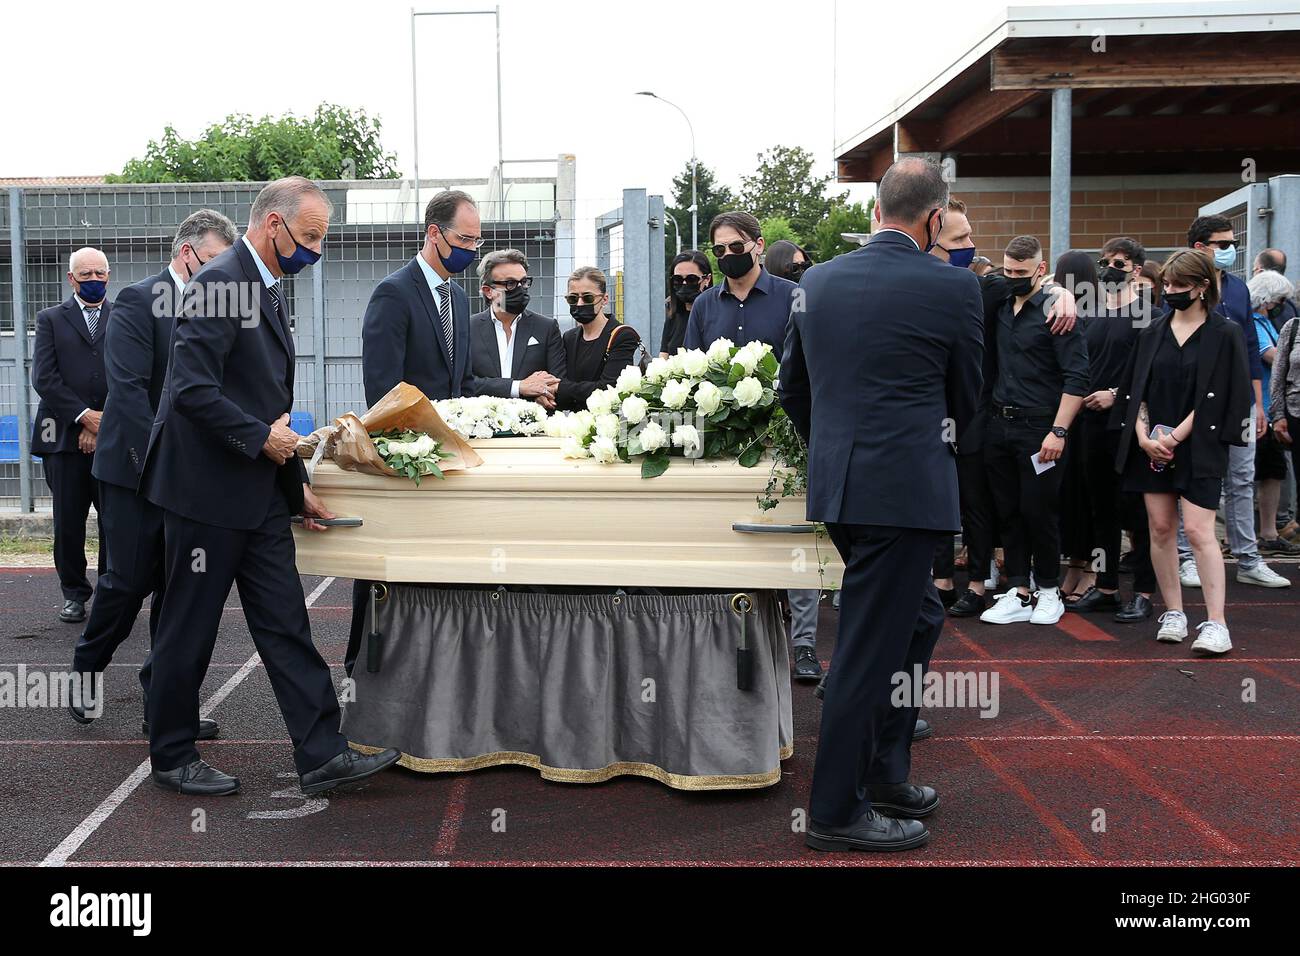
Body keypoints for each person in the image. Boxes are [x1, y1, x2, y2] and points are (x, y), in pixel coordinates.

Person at [141, 176, 399, 795]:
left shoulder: (265, 285)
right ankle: (172, 755)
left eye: (323, 238)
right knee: (189, 627)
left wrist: (294, 482)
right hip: (204, 494)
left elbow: (264, 402)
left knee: (286, 623)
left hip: (256, 491)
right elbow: (191, 392)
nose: (317, 250)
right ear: (274, 225)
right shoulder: (220, 283)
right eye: (310, 237)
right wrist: (264, 440)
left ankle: (321, 753)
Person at [780, 157, 983, 853]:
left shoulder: (818, 280)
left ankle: (887, 773)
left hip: (842, 489)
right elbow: (969, 401)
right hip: (904, 492)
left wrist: (836, 449)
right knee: (869, 651)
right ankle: (837, 809)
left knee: (918, 617)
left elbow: (791, 389)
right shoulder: (954, 289)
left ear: (876, 212)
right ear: (935, 220)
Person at [69, 210, 236, 730]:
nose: (220, 274)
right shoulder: (139, 302)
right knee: (126, 583)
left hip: (190, 477)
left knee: (179, 590)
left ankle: (161, 706)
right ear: (188, 254)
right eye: (213, 261)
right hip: (134, 471)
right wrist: (164, 468)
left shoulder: (222, 305)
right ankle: (86, 666)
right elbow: (130, 394)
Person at [349, 190, 484, 675]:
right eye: (464, 238)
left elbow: (461, 383)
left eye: (477, 239)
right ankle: (362, 662)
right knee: (387, 570)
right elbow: (383, 391)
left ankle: (431, 663)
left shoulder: (457, 296)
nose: (472, 248)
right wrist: (412, 447)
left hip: (445, 456)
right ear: (434, 233)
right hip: (405, 457)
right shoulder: (394, 292)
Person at [929, 198, 1078, 620]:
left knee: (992, 504)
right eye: (961, 238)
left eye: (970, 236)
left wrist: (1061, 292)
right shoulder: (913, 284)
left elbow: (1035, 286)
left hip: (982, 417)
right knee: (949, 500)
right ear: (931, 237)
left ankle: (996, 584)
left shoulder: (987, 287)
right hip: (925, 416)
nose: (971, 246)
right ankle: (952, 580)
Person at [1113, 249, 1252, 655]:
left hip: (1199, 446)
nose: (1170, 291)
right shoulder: (1152, 333)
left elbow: (1224, 396)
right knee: (1159, 528)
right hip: (1151, 445)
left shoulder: (1224, 334)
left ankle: (1216, 622)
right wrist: (1142, 436)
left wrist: (1175, 438)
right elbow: (1134, 391)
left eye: (1179, 286)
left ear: (1202, 286)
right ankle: (1173, 611)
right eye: (1167, 285)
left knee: (1197, 531)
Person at [979, 235, 1089, 627]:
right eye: (1008, 270)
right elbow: (977, 275)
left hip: (1041, 426)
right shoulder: (1000, 297)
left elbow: (1077, 377)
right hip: (999, 424)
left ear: (1040, 269)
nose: (1012, 277)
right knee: (1008, 511)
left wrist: (1058, 432)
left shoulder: (1057, 311)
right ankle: (1019, 589)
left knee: (1038, 511)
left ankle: (1048, 589)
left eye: (1021, 273)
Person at [1176, 215, 1289, 588]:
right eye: (1221, 244)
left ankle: (1248, 557)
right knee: (1190, 475)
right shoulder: (1181, 290)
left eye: (1231, 243)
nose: (1229, 250)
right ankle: (1186, 556)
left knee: (1241, 478)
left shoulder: (1239, 289)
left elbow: (1251, 350)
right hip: (1194, 401)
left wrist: (1259, 404)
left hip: (1238, 400)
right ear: (1200, 247)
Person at [1066, 238, 1158, 622]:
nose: (1108, 269)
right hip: (1090, 426)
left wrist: (1116, 395)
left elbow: (1152, 372)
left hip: (1130, 426)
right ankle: (1105, 588)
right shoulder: (1089, 311)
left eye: (1118, 263)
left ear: (1136, 269)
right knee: (1100, 508)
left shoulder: (1148, 314)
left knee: (1136, 511)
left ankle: (1143, 591)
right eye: (1104, 262)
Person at [31, 247, 111, 625]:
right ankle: (74, 595)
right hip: (62, 438)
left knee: (115, 519)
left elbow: (136, 374)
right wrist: (83, 419)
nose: (94, 281)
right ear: (71, 279)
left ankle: (113, 591)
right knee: (69, 521)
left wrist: (103, 422)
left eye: (100, 274)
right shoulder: (50, 319)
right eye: (86, 275)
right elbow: (44, 378)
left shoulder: (125, 316)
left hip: (114, 437)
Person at [756, 238, 824, 682]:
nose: (727, 256)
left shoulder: (790, 296)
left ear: (757, 247)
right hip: (735, 446)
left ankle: (804, 645)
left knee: (797, 540)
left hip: (790, 435)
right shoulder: (706, 304)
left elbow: (800, 366)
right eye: (719, 250)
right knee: (749, 541)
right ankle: (749, 638)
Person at [1052, 251, 1101, 606]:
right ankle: (1077, 567)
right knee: (1074, 499)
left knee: (1086, 499)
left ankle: (1091, 571)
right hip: (1074, 415)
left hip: (1084, 416)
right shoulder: (1060, 311)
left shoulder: (1100, 315)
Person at [683, 212, 798, 356]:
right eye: (719, 249)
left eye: (736, 246)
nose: (728, 253)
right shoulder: (703, 304)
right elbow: (692, 367)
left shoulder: (793, 295)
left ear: (759, 245)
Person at [467, 248, 564, 403]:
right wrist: (518, 387)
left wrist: (542, 393)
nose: (521, 289)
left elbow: (557, 382)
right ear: (488, 291)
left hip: (534, 424)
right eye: (511, 284)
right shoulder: (467, 328)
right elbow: (465, 383)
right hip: (480, 424)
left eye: (524, 282)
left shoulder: (546, 328)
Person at [1249, 270, 1300, 556]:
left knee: (1273, 471)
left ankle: (1268, 533)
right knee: (1251, 474)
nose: (1282, 305)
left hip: (1271, 409)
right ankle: (1243, 537)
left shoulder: (1266, 322)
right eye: (1279, 299)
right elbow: (1273, 356)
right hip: (1260, 409)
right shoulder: (1252, 324)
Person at [553, 267, 644, 411]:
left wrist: (561, 388)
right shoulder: (569, 337)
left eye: (587, 297)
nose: (579, 304)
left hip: (608, 423)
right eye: (573, 298)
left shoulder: (622, 335)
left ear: (604, 299)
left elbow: (608, 389)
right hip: (575, 423)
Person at [660, 250, 712, 358]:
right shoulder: (673, 314)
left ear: (707, 279)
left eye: (691, 279)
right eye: (677, 279)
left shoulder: (718, 315)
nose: (684, 284)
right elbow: (663, 357)